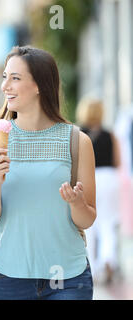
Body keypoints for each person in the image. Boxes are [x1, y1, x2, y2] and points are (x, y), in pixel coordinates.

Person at [0, 46, 96, 300]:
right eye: (4, 77)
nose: (5, 86)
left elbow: (87, 220)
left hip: (69, 277)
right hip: (10, 279)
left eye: (15, 78)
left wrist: (76, 203)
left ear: (40, 85)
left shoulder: (77, 141)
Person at [77, 98, 121, 284]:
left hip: (89, 177)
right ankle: (108, 259)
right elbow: (118, 161)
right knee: (108, 222)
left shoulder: (79, 134)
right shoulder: (110, 134)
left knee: (90, 225)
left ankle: (92, 268)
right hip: (109, 178)